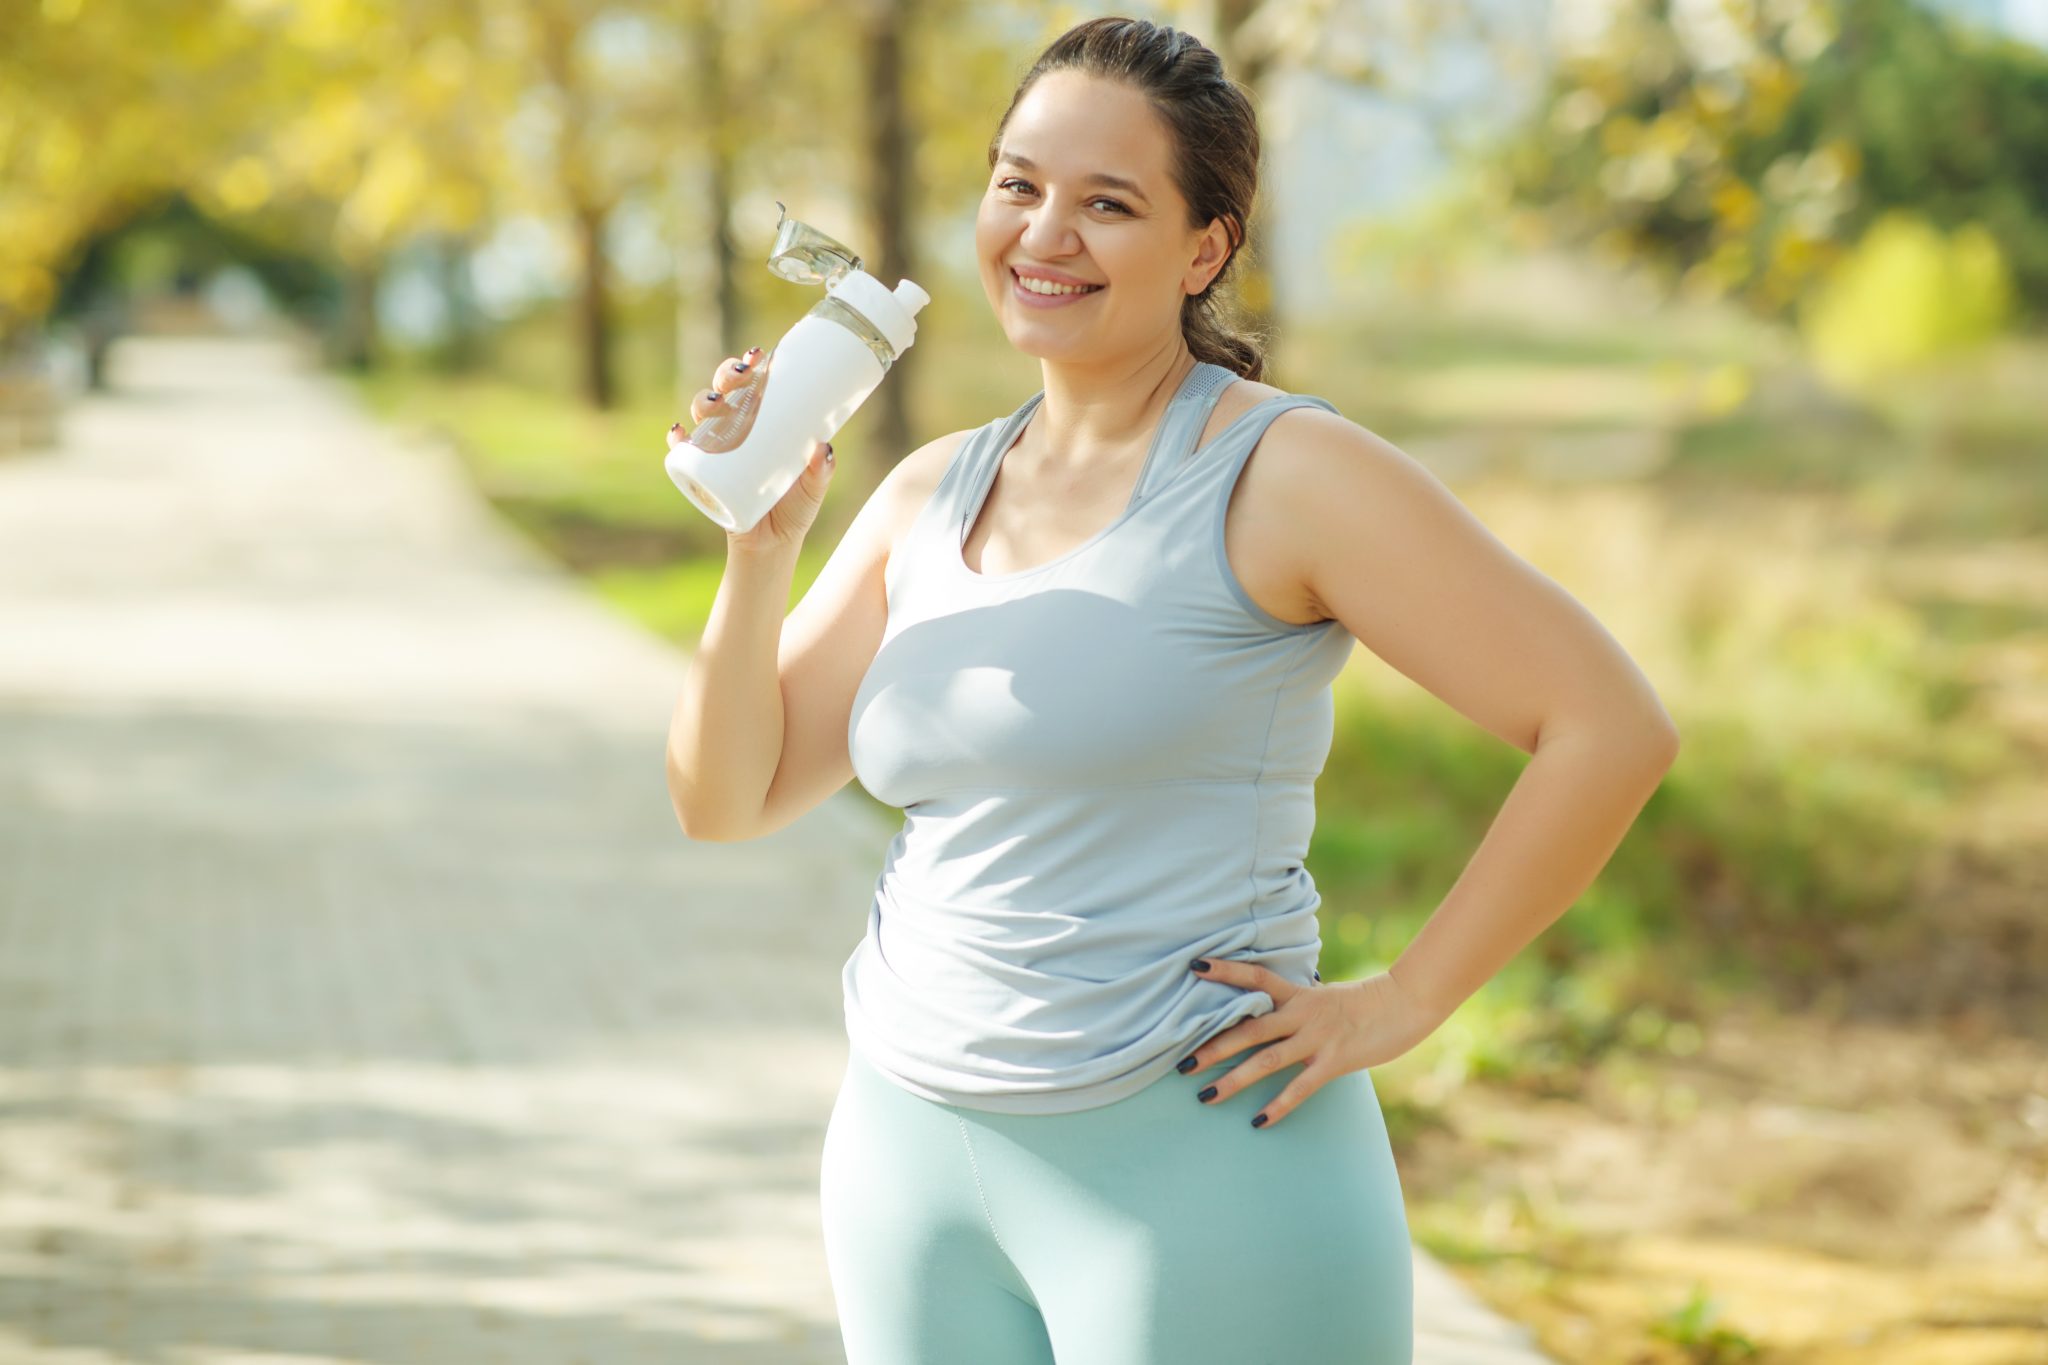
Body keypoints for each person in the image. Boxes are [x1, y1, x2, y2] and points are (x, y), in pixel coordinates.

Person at [664, 15, 1680, 1364]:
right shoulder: (929, 490)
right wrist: (761, 546)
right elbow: (725, 798)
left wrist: (1404, 1000)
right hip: (908, 1160)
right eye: (1019, 184)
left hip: (1202, 1178)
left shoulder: (1285, 474)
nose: (1044, 235)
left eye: (1109, 204)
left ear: (1206, 249)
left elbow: (1607, 725)